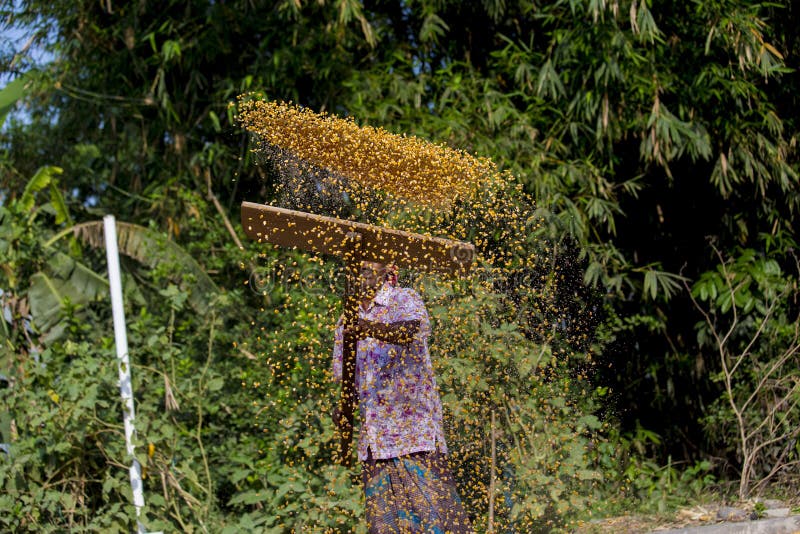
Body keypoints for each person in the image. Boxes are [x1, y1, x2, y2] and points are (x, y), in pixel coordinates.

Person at [332, 261, 473, 533]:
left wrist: (368, 328)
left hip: (413, 437)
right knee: (385, 528)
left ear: (387, 269)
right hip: (375, 445)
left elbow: (409, 331)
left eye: (369, 259)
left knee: (438, 523)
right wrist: (343, 413)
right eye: (356, 262)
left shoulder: (403, 299)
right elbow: (349, 381)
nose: (361, 265)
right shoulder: (345, 321)